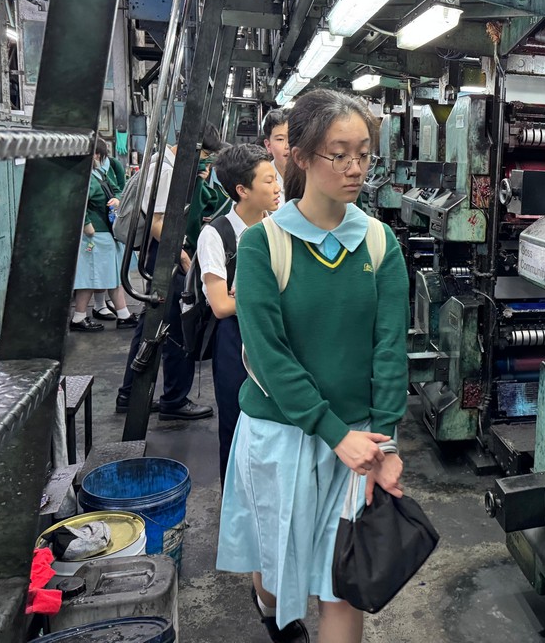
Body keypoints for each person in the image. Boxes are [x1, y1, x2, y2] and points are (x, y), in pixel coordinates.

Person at [216, 89, 408, 643]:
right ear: (299, 156)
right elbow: (268, 356)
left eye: (364, 154)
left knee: (342, 586)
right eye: (338, 154)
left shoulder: (378, 242)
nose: (355, 168)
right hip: (284, 437)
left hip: (359, 443)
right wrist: (331, 431)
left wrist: (387, 443)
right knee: (280, 582)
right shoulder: (263, 245)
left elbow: (389, 348)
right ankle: (267, 600)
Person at [115, 126, 223, 419]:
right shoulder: (165, 171)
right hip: (165, 254)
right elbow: (157, 223)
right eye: (204, 154)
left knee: (149, 325)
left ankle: (130, 393)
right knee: (178, 326)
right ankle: (174, 400)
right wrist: (183, 257)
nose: (206, 160)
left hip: (162, 253)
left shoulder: (163, 163)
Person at [197, 144, 281, 485]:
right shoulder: (216, 235)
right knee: (236, 424)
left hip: (274, 335)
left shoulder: (279, 228)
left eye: (276, 178)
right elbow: (220, 305)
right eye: (268, 181)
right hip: (234, 339)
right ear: (242, 190)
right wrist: (268, 293)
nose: (277, 187)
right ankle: (236, 500)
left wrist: (246, 293)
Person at [71, 140, 138, 332]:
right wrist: (87, 225)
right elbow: (76, 202)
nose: (97, 158)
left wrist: (117, 199)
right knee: (91, 276)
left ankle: (123, 314)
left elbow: (116, 188)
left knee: (110, 274)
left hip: (106, 232)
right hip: (95, 235)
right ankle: (79, 318)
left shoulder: (98, 173)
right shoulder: (84, 178)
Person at [261, 108, 290, 207]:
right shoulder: (256, 184)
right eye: (280, 139)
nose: (288, 146)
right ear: (268, 145)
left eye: (293, 137)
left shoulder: (315, 179)